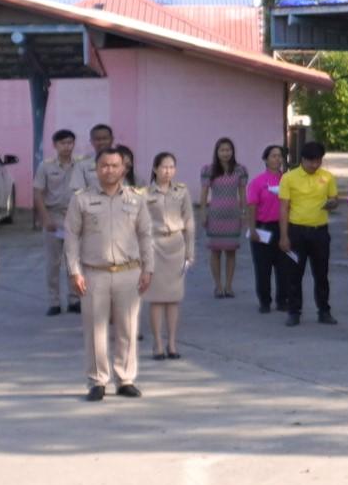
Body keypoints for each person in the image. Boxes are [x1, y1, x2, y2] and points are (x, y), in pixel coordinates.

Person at [66, 145, 152, 401]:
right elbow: (71, 237)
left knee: (127, 328)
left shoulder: (136, 198)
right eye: (105, 165)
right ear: (96, 168)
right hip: (94, 273)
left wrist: (149, 268)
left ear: (124, 168)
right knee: (95, 329)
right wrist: (74, 271)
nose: (110, 170)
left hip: (129, 272)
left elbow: (146, 234)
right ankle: (97, 380)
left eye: (115, 165)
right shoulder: (81, 199)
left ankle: (125, 379)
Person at [276, 140, 339, 325]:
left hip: (320, 232)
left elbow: (334, 199)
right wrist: (284, 235)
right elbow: (283, 208)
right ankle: (294, 311)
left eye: (318, 161)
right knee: (294, 273)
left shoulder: (327, 177)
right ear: (302, 159)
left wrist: (332, 203)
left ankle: (324, 311)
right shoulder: (289, 178)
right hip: (296, 232)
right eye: (311, 161)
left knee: (322, 274)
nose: (314, 165)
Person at [143, 153, 194, 359]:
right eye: (164, 167)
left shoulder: (181, 191)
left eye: (172, 167)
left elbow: (189, 221)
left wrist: (190, 252)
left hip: (176, 245)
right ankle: (157, 344)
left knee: (174, 298)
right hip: (155, 245)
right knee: (156, 299)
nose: (168, 171)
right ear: (155, 169)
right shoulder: (145, 193)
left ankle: (172, 343)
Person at [36, 129, 86, 316]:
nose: (67, 147)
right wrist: (45, 218)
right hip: (54, 216)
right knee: (53, 262)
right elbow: (38, 193)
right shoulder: (46, 166)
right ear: (55, 145)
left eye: (70, 143)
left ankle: (75, 299)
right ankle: (54, 301)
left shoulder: (81, 165)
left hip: (75, 216)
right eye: (62, 143)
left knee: (75, 260)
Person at [199, 137, 250, 298]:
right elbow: (204, 193)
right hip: (215, 215)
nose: (226, 153)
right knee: (215, 251)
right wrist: (203, 212)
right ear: (217, 152)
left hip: (233, 215)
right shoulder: (209, 170)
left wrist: (244, 213)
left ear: (232, 151)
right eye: (222, 150)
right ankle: (218, 286)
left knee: (231, 251)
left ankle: (229, 286)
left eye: (228, 150)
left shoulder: (240, 170)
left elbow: (242, 193)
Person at [248, 144, 288, 313]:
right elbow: (252, 206)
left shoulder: (287, 180)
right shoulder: (257, 182)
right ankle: (264, 301)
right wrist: (252, 229)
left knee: (284, 267)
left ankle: (282, 300)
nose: (277, 159)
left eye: (280, 156)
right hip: (263, 228)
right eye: (273, 156)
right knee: (263, 268)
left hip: (282, 227)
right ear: (265, 159)